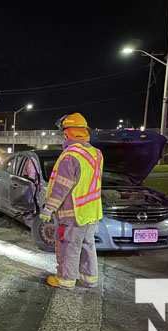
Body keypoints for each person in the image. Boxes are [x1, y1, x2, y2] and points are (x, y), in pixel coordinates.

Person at [39, 113, 103, 289]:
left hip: (73, 212)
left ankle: (65, 279)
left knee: (69, 246)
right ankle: (89, 278)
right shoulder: (96, 154)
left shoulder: (70, 156)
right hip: (91, 211)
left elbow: (61, 187)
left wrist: (48, 209)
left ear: (68, 134)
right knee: (88, 245)